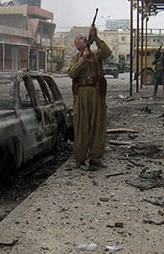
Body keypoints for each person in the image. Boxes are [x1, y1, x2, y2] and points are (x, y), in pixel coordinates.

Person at [67, 26, 112, 169]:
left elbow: (107, 52)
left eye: (85, 37)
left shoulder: (96, 55)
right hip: (81, 94)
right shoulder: (75, 58)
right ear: (77, 44)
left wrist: (96, 37)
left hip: (97, 93)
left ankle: (95, 158)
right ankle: (80, 158)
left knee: (98, 125)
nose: (84, 39)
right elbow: (72, 74)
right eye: (81, 38)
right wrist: (83, 59)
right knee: (81, 126)